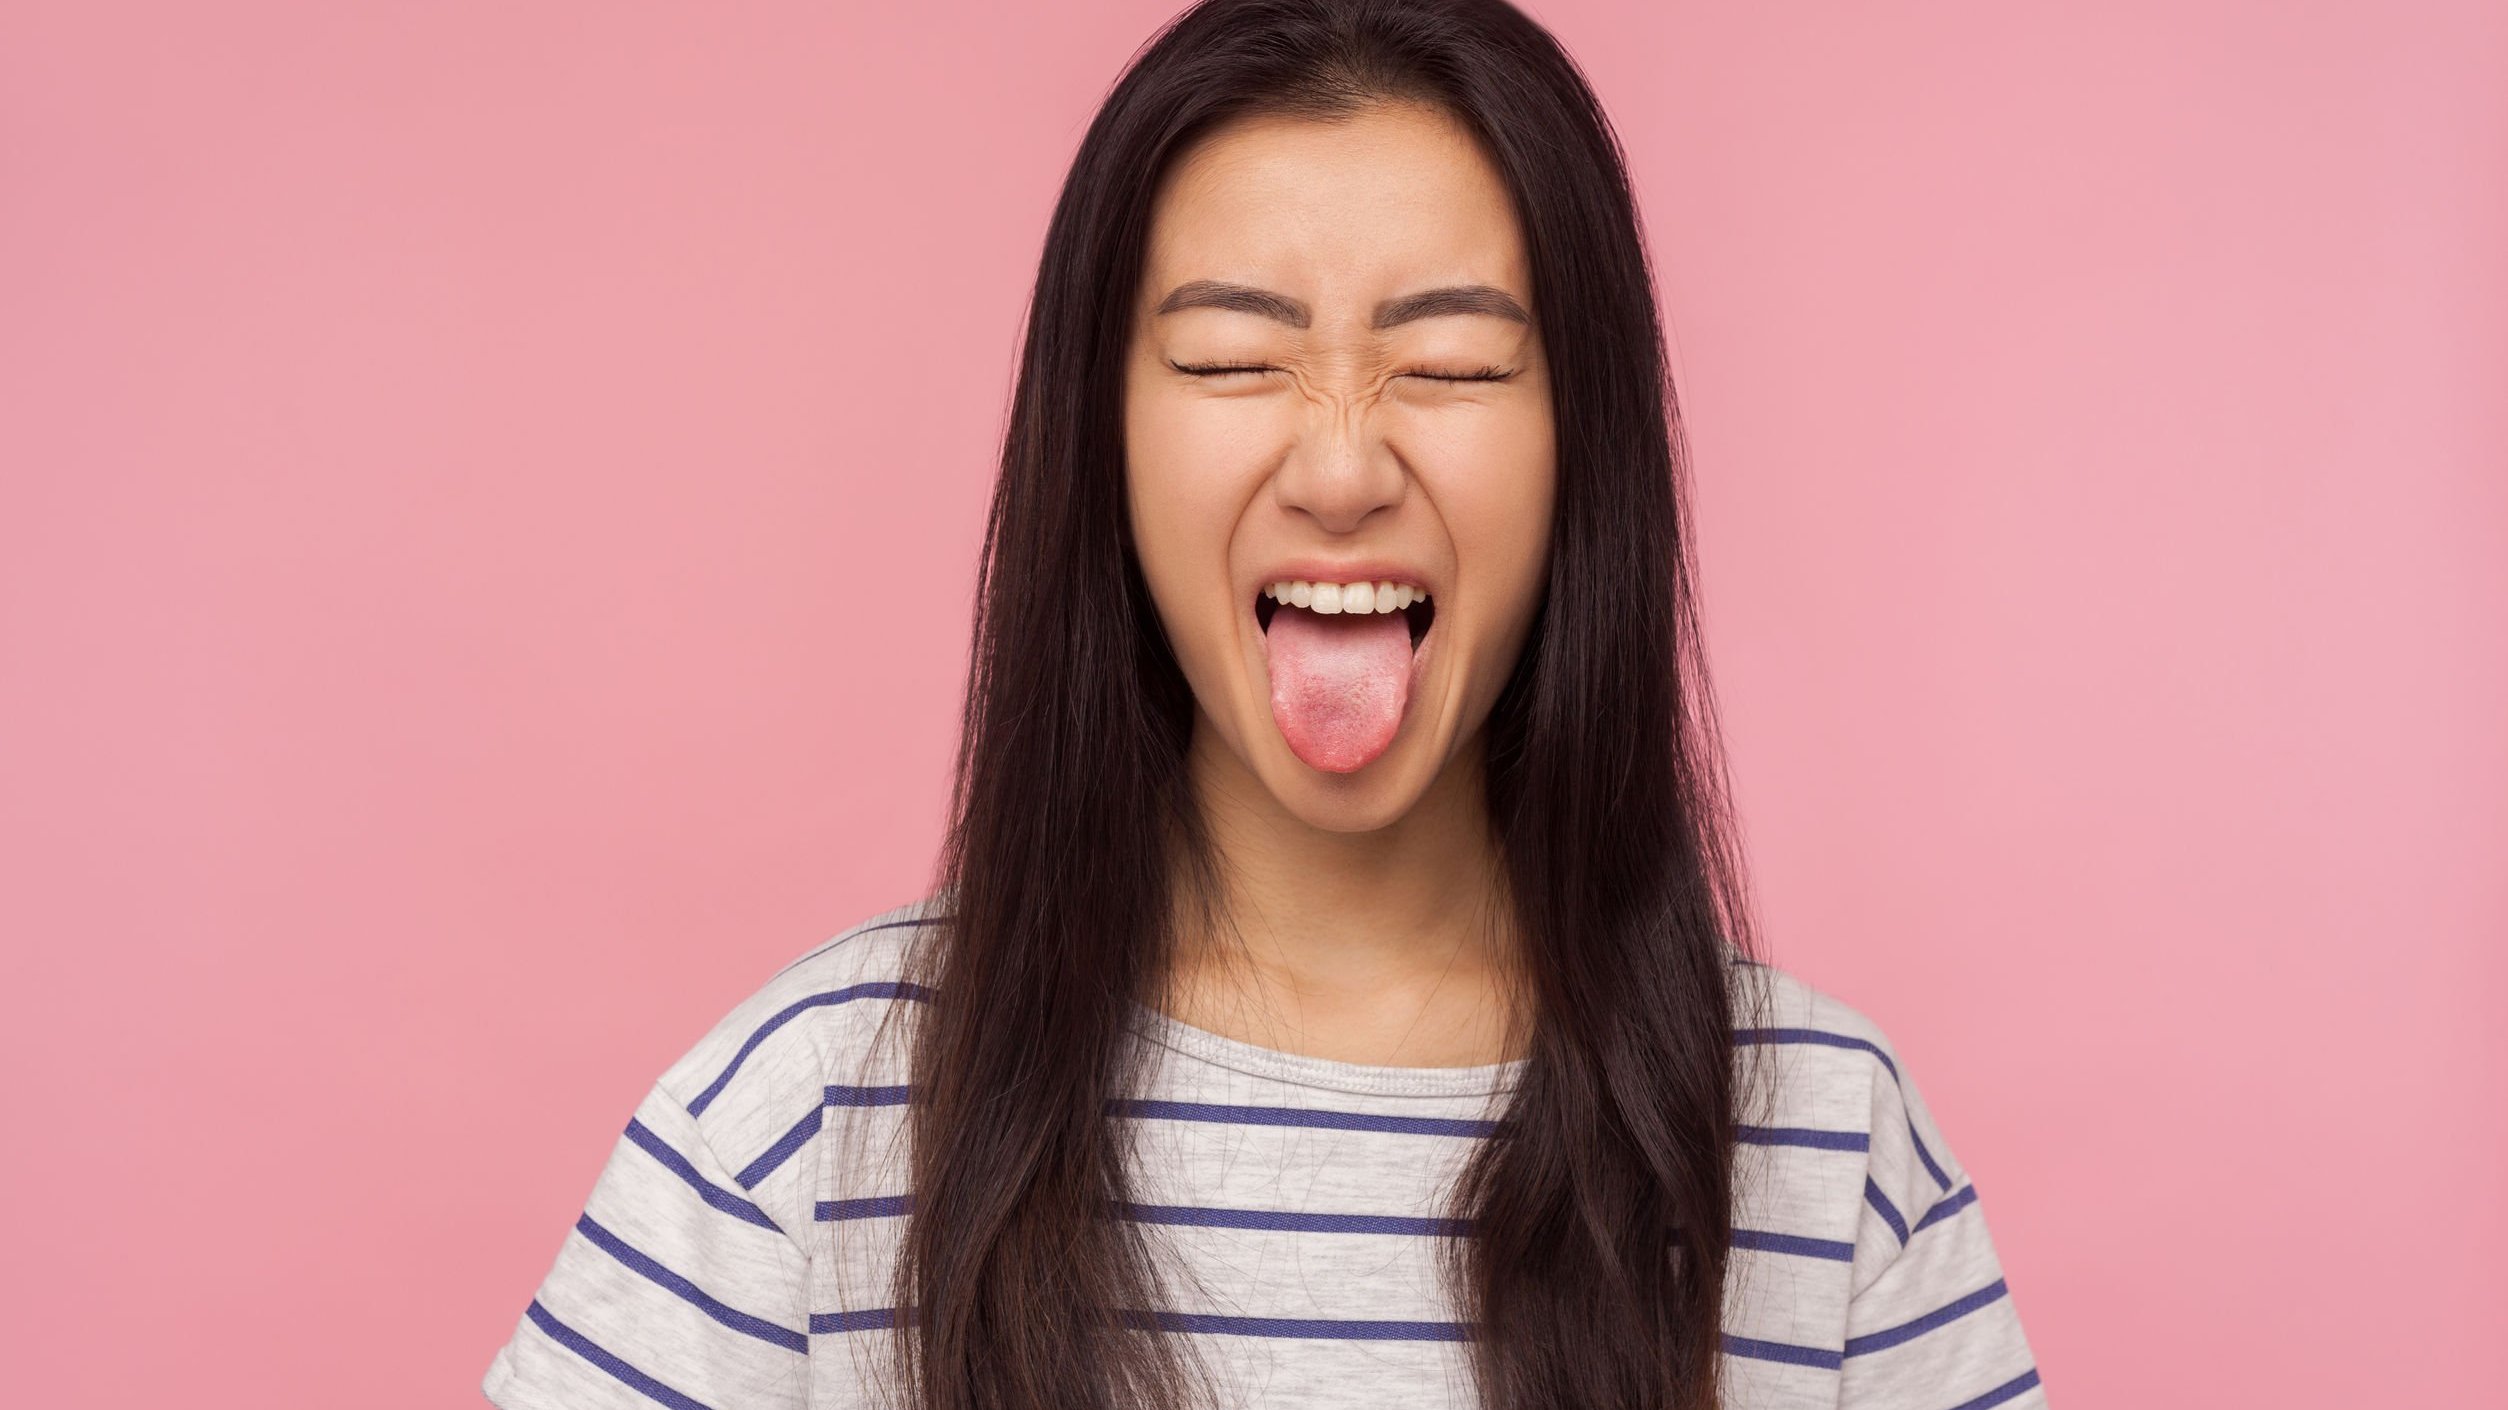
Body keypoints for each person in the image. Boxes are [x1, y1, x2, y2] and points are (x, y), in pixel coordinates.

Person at [480, 1, 2047, 1407]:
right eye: (1234, 360)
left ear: (1592, 455)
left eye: (1449, 365)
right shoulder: (800, 1127)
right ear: (1101, 445)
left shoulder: (1826, 1156)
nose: (1344, 466)